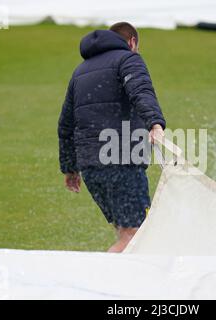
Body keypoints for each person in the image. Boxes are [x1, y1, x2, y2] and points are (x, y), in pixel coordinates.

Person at [57, 22, 166, 253]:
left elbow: (65, 124)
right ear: (132, 42)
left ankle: (119, 286)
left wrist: (70, 168)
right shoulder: (128, 59)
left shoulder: (80, 71)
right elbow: (141, 90)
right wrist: (155, 123)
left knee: (126, 234)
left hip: (91, 169)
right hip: (121, 161)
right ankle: (100, 285)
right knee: (134, 238)